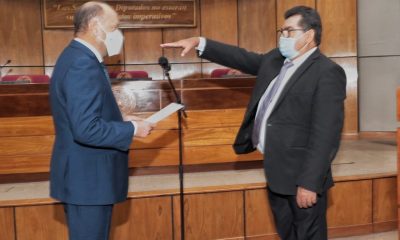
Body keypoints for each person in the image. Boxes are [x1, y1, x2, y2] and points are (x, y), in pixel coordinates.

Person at [161, 6, 346, 240]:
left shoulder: (327, 72)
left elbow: (326, 135)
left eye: (289, 31)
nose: (283, 37)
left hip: (302, 177)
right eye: (281, 31)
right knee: (287, 233)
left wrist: (309, 183)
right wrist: (200, 42)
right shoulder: (276, 61)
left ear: (309, 35)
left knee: (309, 235)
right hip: (276, 170)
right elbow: (241, 57)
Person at [49, 2, 155, 239]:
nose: (119, 34)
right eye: (115, 27)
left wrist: (121, 117)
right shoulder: (82, 63)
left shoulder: (79, 57)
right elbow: (86, 129)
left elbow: (83, 114)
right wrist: (132, 129)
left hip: (86, 178)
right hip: (87, 181)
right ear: (95, 26)